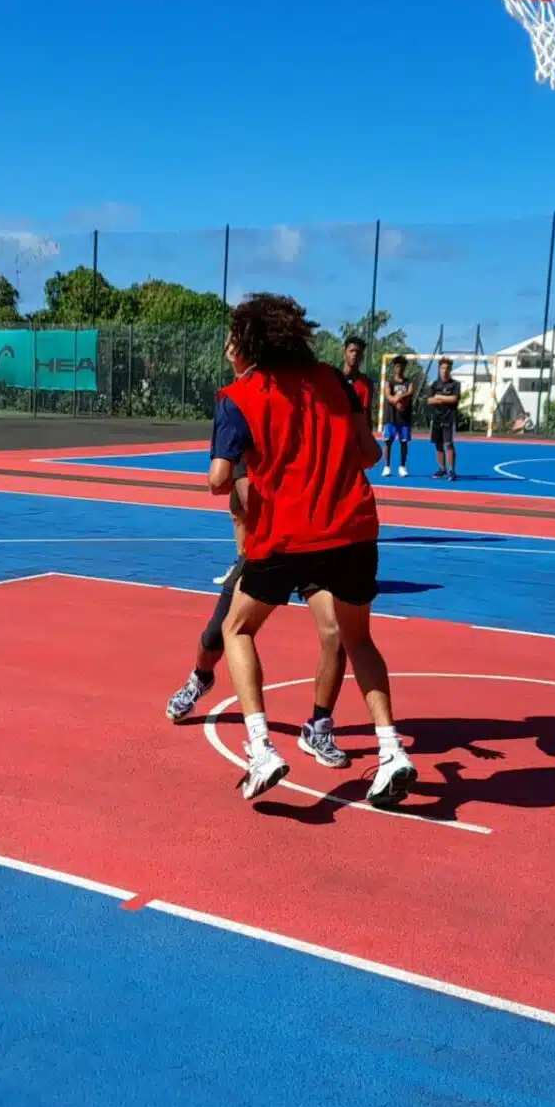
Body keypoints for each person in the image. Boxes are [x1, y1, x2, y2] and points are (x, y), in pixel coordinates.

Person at [209, 292, 416, 805]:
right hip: (352, 528)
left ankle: (261, 747)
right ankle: (392, 751)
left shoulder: (239, 396)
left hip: (286, 532)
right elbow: (368, 454)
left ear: (248, 342)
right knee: (359, 639)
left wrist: (246, 471)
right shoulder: (332, 381)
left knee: (237, 628)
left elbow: (218, 479)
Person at [165, 480, 353, 772]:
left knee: (336, 632)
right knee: (219, 632)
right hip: (271, 545)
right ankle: (200, 678)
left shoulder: (322, 439)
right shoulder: (253, 437)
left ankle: (319, 726)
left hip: (313, 543)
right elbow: (231, 487)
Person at [426, 356, 463, 479]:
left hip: (449, 418)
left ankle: (451, 470)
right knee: (438, 444)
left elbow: (454, 399)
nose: (444, 370)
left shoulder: (455, 384)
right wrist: (443, 399)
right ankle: (442, 469)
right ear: (439, 369)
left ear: (450, 369)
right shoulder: (435, 384)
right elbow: (430, 400)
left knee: (449, 444)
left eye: (447, 368)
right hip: (436, 418)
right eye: (442, 368)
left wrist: (439, 397)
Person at [380, 354, 415, 477]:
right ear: (394, 367)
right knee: (388, 442)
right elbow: (388, 395)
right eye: (397, 366)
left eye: (401, 366)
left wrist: (400, 397)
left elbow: (410, 391)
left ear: (405, 367)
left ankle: (402, 466)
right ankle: (387, 466)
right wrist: (395, 400)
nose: (399, 369)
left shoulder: (408, 382)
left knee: (404, 442)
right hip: (391, 416)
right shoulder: (389, 382)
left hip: (404, 418)